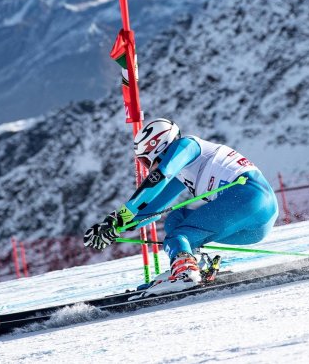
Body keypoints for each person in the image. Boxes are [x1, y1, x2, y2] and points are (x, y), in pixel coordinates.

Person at [84, 118, 279, 294]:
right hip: (256, 220)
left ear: (158, 147)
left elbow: (159, 177)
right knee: (175, 221)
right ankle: (191, 265)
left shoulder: (186, 145)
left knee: (178, 236)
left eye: (145, 160)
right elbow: (152, 210)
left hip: (248, 196)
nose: (147, 167)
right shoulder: (183, 171)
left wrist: (119, 216)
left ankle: (186, 273)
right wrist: (115, 228)